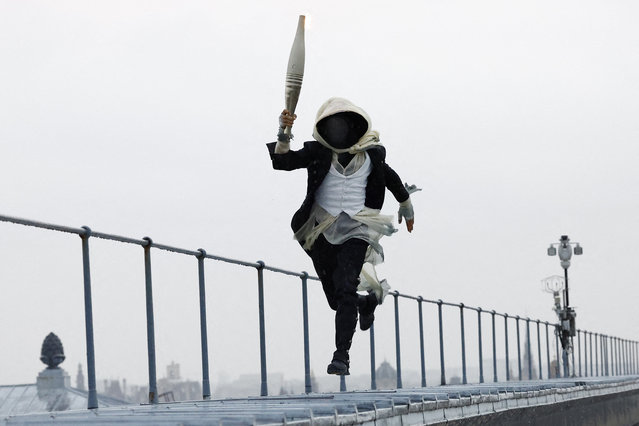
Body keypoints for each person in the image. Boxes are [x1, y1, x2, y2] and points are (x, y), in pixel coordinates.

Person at [266, 97, 417, 375]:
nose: (337, 131)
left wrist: (406, 205)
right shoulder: (318, 152)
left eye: (342, 125)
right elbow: (283, 161)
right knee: (337, 298)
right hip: (320, 229)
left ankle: (341, 356)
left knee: (346, 286)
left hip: (357, 229)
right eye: (331, 126)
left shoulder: (371, 155)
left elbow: (391, 178)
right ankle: (365, 302)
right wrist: (283, 131)